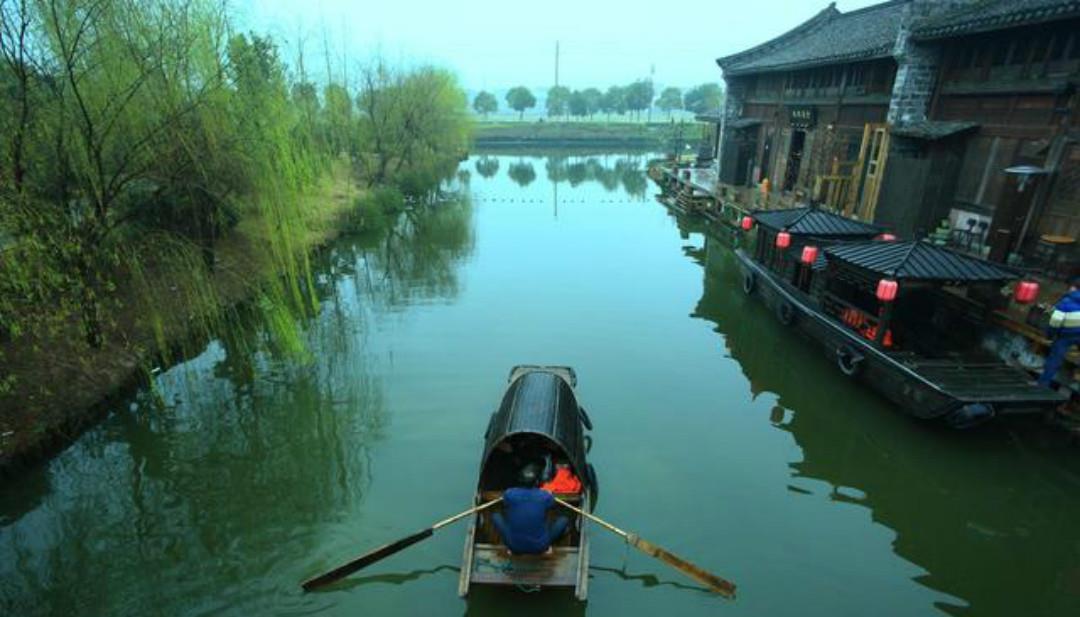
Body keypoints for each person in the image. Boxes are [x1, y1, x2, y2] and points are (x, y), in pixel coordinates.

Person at [491, 464, 569, 555]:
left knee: (495, 516)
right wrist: (548, 494)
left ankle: (512, 548)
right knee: (564, 520)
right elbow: (552, 504)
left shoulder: (509, 493)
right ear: (537, 482)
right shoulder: (544, 495)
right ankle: (548, 547)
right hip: (540, 547)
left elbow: (506, 502)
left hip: (513, 546)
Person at [1038, 278, 1080, 387]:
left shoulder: (1065, 302)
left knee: (1054, 360)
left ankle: (1043, 385)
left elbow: (1055, 323)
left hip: (1065, 336)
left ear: (1073, 287)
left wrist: (1050, 336)